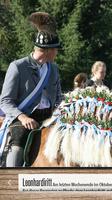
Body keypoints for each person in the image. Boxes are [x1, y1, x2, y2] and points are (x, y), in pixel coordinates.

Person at [0, 12, 62, 167]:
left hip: (49, 117)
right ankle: (12, 180)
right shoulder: (18, 67)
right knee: (19, 137)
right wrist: (22, 117)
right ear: (47, 50)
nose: (57, 53)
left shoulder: (53, 69)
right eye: (55, 49)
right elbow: (5, 101)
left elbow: (59, 98)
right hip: (24, 118)